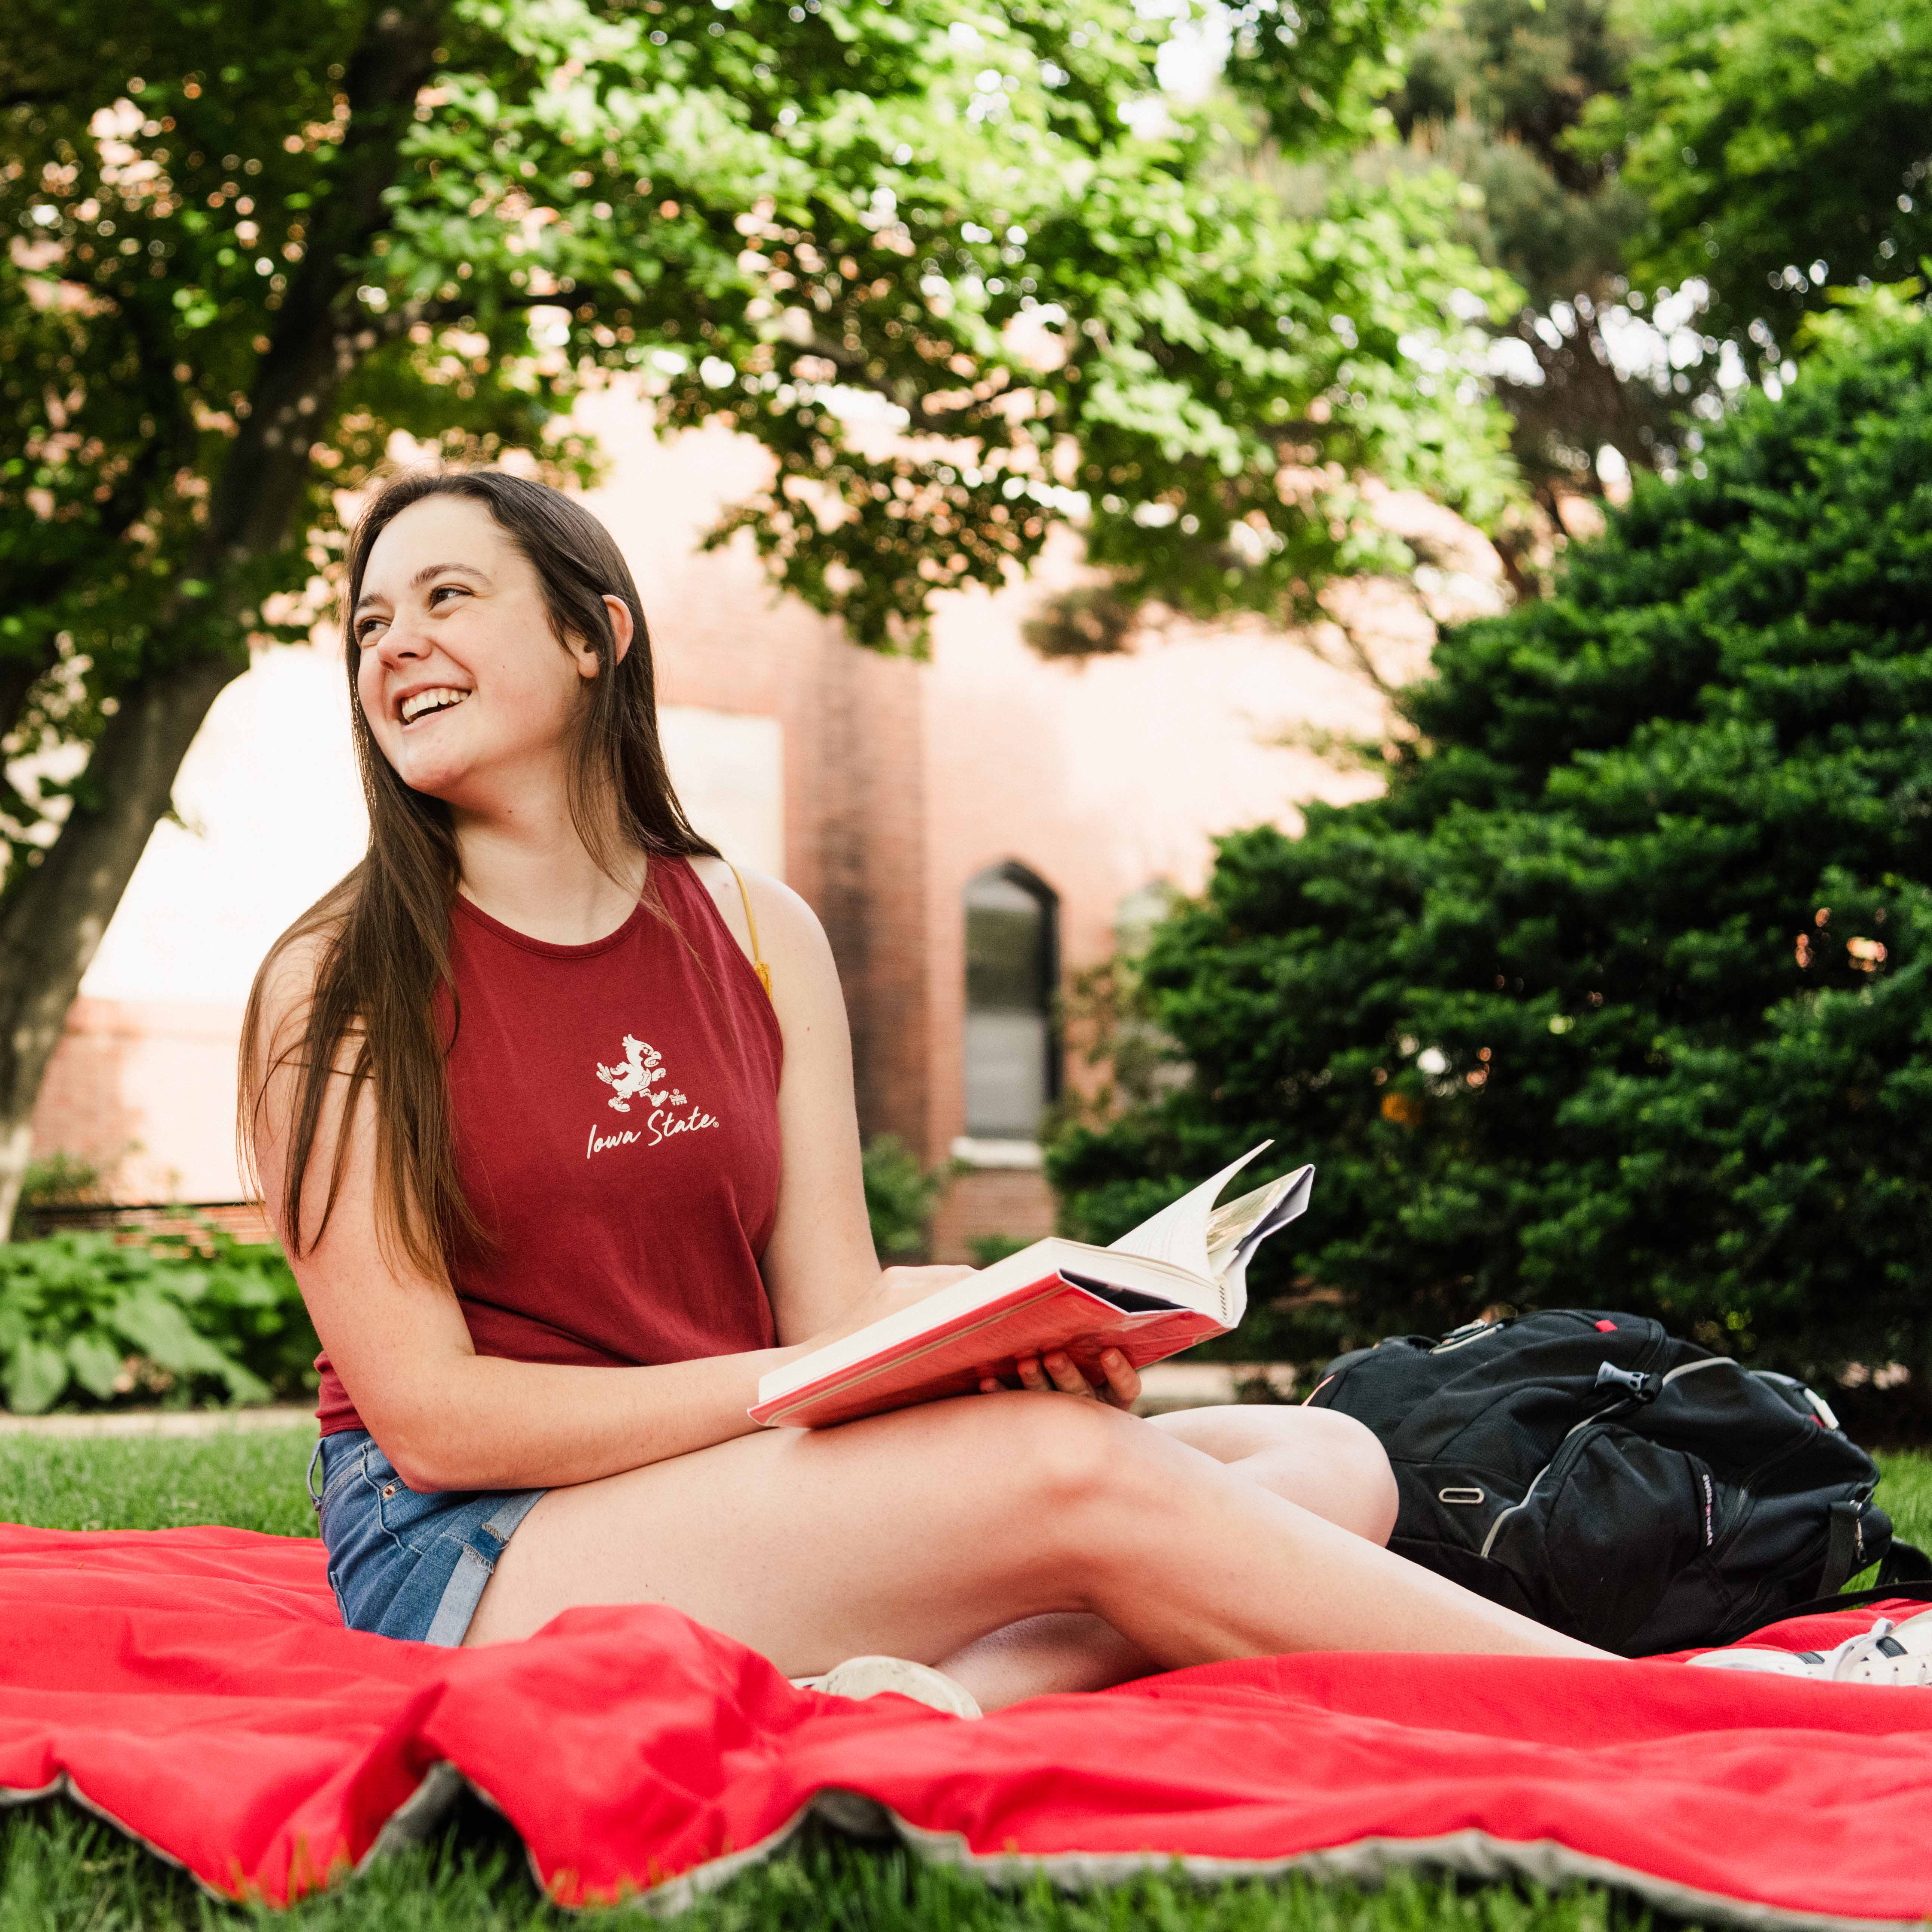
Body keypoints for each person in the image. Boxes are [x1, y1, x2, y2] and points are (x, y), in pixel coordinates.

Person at [242, 470, 1931, 1710]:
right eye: (372, 621)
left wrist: (1005, 1322)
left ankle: (960, 1693)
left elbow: (825, 1308)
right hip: (475, 1550)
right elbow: (440, 1421)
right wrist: (819, 1387)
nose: (397, 645)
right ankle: (1715, 1707)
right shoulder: (340, 987)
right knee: (1071, 1478)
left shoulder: (759, 930)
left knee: (1334, 1458)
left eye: (448, 597)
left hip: (722, 1480)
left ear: (596, 634)